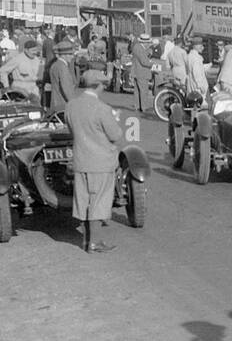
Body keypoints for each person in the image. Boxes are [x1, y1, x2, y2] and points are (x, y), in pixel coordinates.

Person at [66, 70, 126, 253]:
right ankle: (94, 242)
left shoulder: (71, 105)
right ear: (98, 86)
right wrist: (115, 119)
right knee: (98, 202)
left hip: (80, 159)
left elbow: (71, 129)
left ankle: (86, 241)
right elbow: (115, 135)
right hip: (101, 162)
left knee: (84, 200)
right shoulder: (102, 109)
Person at [48, 40, 79, 113]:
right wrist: (74, 104)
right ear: (64, 55)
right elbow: (67, 89)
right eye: (71, 54)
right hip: (62, 104)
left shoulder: (55, 65)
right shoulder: (63, 67)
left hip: (56, 102)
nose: (72, 57)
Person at [130, 33, 155, 113]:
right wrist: (152, 63)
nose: (148, 44)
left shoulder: (137, 47)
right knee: (144, 91)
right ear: (144, 42)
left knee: (137, 91)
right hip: (142, 72)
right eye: (148, 43)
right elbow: (144, 61)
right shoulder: (139, 48)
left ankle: (138, 106)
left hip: (137, 71)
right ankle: (143, 107)